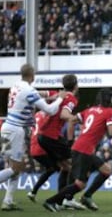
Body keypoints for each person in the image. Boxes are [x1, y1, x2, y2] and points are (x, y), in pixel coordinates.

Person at [43, 89, 112, 212]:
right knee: (80, 184)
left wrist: (70, 140)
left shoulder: (89, 110)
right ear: (109, 99)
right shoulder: (109, 111)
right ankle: (52, 201)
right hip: (84, 150)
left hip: (80, 147)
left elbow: (72, 120)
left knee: (106, 171)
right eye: (111, 98)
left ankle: (85, 197)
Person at [0, 63, 65, 211]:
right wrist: (60, 99)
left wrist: (50, 95)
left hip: (7, 127)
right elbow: (50, 110)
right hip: (16, 131)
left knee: (14, 167)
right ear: (33, 76)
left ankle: (8, 201)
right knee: (16, 167)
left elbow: (34, 94)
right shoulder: (28, 90)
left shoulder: (16, 86)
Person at [38, 74, 81, 210]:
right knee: (74, 165)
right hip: (51, 136)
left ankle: (61, 200)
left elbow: (39, 93)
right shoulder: (71, 98)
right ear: (75, 86)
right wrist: (76, 118)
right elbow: (64, 115)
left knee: (66, 166)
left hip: (42, 136)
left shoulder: (58, 94)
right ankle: (65, 199)